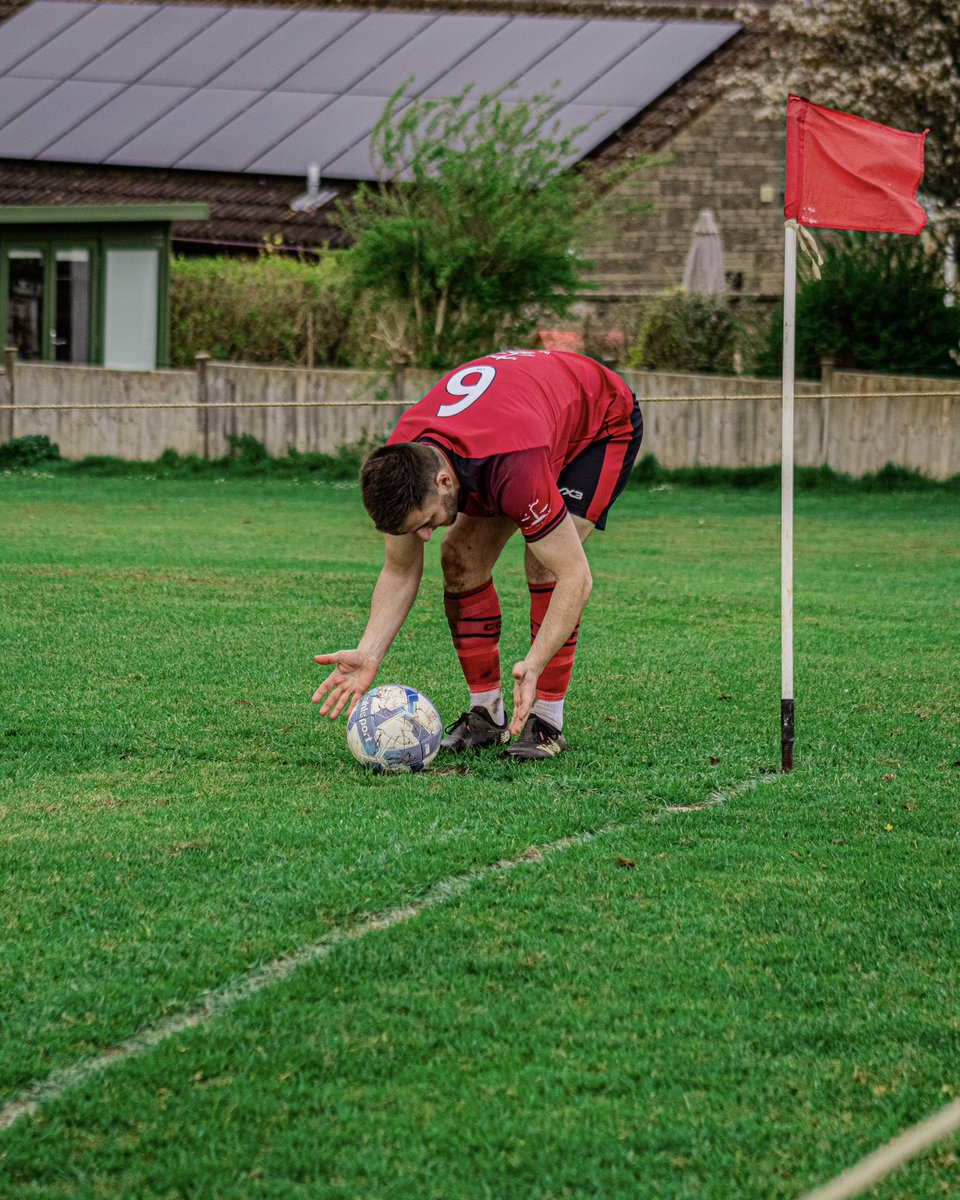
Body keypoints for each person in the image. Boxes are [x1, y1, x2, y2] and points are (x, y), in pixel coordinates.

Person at [312, 348, 643, 761]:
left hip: (598, 425)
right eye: (416, 529)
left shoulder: (514, 466)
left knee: (546, 563)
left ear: (445, 480)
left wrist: (535, 663)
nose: (425, 536)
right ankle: (486, 716)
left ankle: (546, 722)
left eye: (427, 521)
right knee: (458, 558)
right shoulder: (403, 460)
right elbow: (399, 571)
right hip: (519, 427)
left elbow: (576, 578)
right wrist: (370, 652)